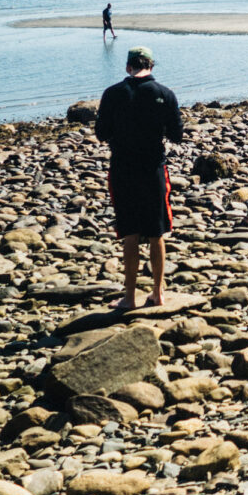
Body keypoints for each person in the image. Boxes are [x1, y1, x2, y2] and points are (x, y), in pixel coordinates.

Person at [95, 45, 184, 309]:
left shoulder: (112, 94)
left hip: (122, 169)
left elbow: (101, 133)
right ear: (152, 66)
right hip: (153, 169)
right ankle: (158, 293)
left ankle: (130, 298)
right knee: (156, 232)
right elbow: (176, 135)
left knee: (130, 233)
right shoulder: (165, 94)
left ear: (128, 67)